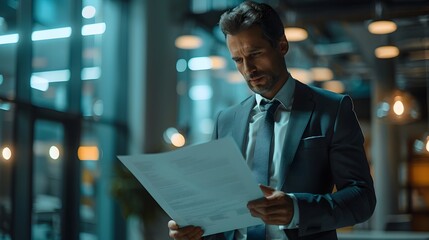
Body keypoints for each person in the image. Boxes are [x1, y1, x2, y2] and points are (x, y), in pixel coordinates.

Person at [168, 1, 376, 239]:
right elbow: (222, 211)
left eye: (255, 54)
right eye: (238, 60)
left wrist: (297, 209)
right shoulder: (225, 120)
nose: (248, 69)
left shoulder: (333, 109)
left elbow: (362, 199)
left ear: (282, 45)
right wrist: (194, 229)